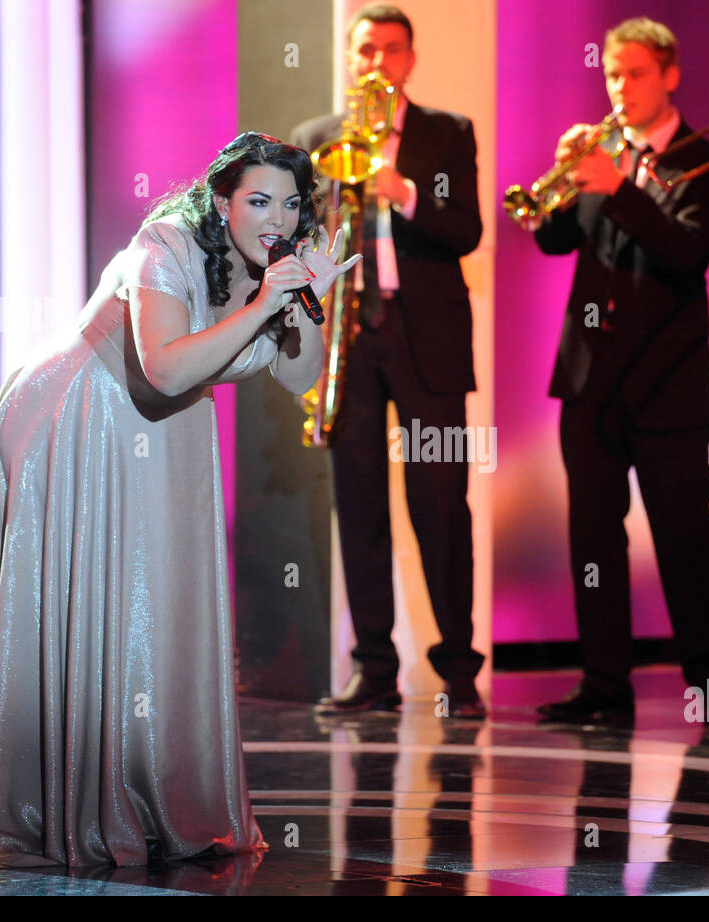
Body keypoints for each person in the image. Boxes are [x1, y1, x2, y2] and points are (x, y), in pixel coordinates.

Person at [0, 133, 360, 867]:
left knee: (150, 613)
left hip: (165, 436)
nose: (276, 216)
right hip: (80, 417)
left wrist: (303, 306)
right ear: (222, 199)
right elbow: (166, 370)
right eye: (258, 199)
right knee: (89, 606)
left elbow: (302, 383)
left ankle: (147, 797)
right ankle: (62, 809)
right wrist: (268, 301)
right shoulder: (165, 242)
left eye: (290, 203)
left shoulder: (274, 270)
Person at [531, 18, 709, 730]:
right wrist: (557, 191)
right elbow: (554, 240)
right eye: (612, 75)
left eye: (635, 74)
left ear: (670, 75)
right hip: (590, 378)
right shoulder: (600, 156)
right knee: (593, 540)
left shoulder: (707, 161)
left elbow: (684, 254)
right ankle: (603, 685)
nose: (619, 87)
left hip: (668, 382)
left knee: (684, 537)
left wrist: (618, 187)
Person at [290, 4, 486, 719]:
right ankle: (375, 670)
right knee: (360, 505)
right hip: (351, 337)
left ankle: (459, 674)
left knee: (441, 509)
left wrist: (399, 191)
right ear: (351, 58)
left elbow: (466, 230)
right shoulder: (316, 141)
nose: (377, 62)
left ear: (410, 59)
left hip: (424, 336)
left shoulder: (448, 134)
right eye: (365, 50)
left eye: (390, 50)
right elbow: (297, 249)